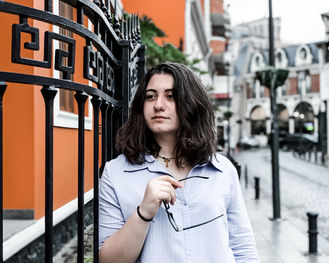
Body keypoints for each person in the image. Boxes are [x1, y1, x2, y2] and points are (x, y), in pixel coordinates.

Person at [99, 62, 259, 263]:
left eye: (170, 96)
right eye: (151, 96)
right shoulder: (116, 173)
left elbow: (243, 249)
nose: (158, 105)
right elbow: (108, 260)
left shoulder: (222, 170)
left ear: (191, 103)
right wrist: (143, 212)